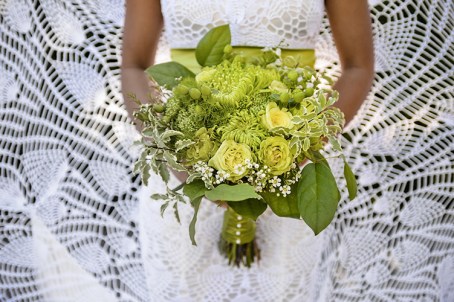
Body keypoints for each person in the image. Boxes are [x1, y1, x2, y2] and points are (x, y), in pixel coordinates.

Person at [121, 0, 374, 300]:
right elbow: (134, 65)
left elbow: (358, 67)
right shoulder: (180, 160)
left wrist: (296, 149)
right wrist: (177, 153)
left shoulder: (294, 159)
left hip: (292, 180)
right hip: (183, 178)